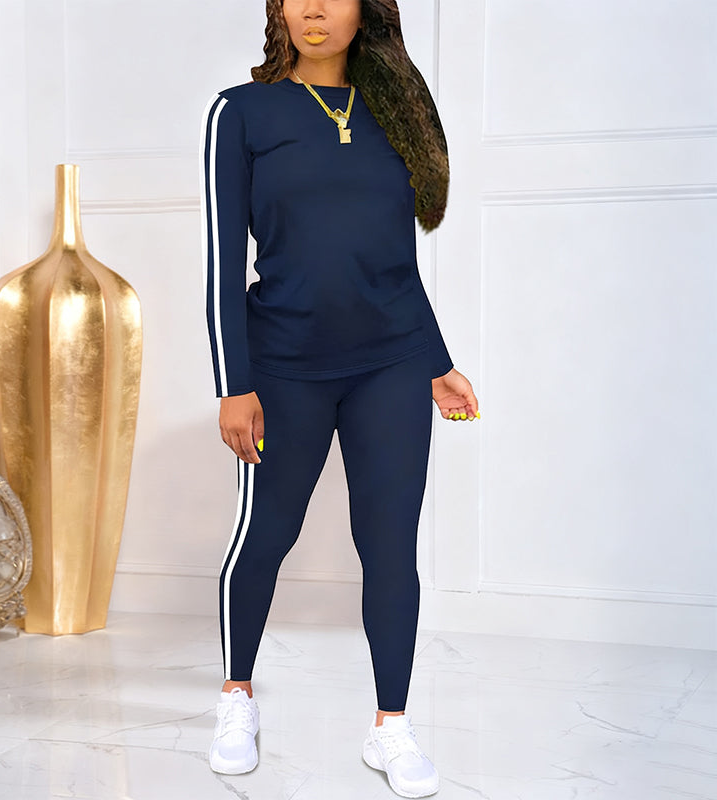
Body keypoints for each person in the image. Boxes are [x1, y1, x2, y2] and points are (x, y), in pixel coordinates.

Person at [199, 1, 478, 796]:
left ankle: (392, 725)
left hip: (390, 364)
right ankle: (237, 697)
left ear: (367, 9)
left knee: (389, 545)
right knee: (267, 533)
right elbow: (222, 262)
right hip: (283, 368)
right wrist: (234, 385)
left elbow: (396, 261)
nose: (313, 10)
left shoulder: (397, 113)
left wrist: (436, 361)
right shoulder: (240, 112)